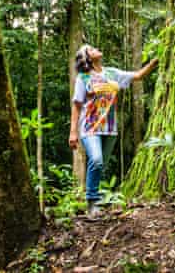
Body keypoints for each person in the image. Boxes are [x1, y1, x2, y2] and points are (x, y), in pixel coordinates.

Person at [68, 44, 158, 215]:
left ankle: (99, 198)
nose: (95, 49)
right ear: (87, 58)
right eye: (90, 50)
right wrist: (73, 132)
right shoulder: (83, 78)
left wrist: (155, 61)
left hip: (109, 128)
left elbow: (138, 75)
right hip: (89, 127)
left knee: (101, 165)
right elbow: (77, 105)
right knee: (96, 160)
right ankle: (92, 202)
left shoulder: (111, 73)